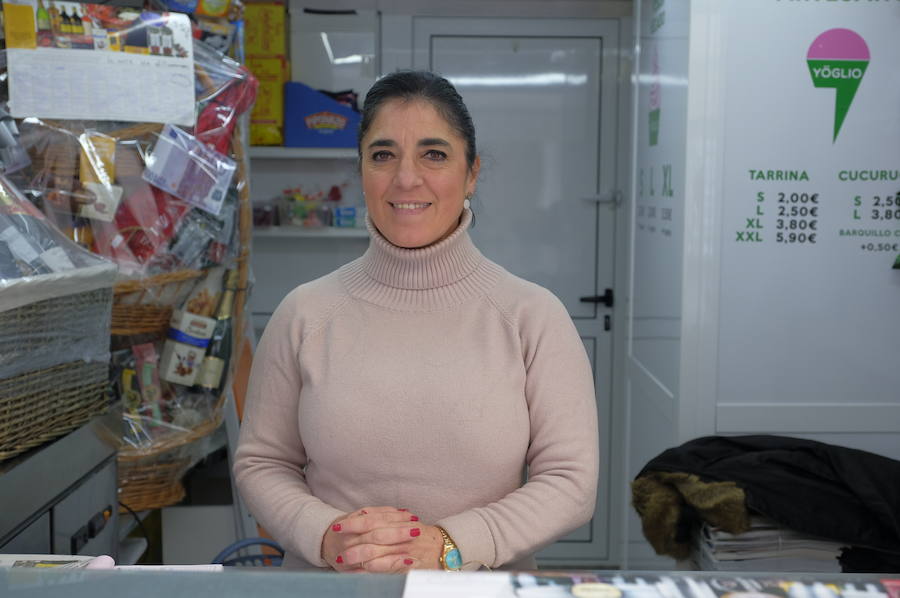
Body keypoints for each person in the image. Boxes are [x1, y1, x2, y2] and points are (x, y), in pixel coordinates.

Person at [234, 70, 599, 572]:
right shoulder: (305, 313)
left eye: (434, 154)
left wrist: (450, 545)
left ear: (471, 173)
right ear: (360, 170)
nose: (407, 178)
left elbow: (571, 482)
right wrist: (327, 536)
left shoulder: (531, 317)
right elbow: (262, 463)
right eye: (383, 155)